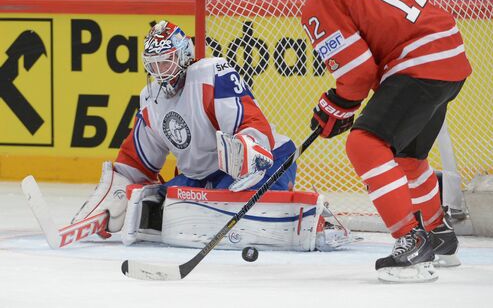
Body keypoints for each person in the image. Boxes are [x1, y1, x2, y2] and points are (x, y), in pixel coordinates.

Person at [278, 0, 471, 282]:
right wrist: (411, 16)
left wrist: (335, 106)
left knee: (364, 144)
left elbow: (359, 74)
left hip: (418, 63)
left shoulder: (318, 2)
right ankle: (438, 234)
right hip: (449, 48)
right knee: (408, 156)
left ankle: (410, 241)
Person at [70, 20, 350, 252]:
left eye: (165, 63)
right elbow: (137, 161)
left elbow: (251, 123)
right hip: (205, 177)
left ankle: (318, 217)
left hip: (269, 160)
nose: (159, 73)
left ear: (183, 55)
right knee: (161, 203)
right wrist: (115, 195)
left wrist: (248, 154)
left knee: (226, 203)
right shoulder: (150, 99)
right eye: (152, 65)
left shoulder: (210, 73)